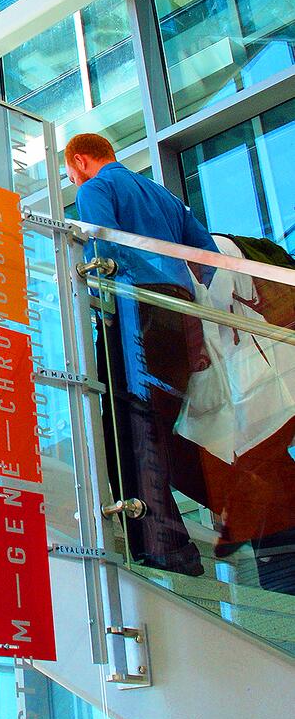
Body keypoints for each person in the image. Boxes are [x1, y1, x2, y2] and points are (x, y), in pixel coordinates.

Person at [65, 132, 220, 576]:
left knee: (127, 423)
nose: (74, 181)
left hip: (136, 308)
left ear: (80, 160)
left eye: (70, 173)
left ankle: (164, 547)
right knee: (162, 425)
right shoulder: (162, 194)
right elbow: (206, 257)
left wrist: (102, 295)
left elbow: (102, 248)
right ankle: (193, 534)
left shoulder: (97, 188)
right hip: (179, 311)